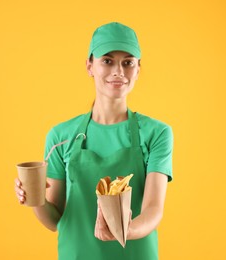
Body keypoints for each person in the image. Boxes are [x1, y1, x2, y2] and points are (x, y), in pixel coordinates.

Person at [14, 22, 173, 260]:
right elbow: (55, 220)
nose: (118, 71)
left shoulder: (156, 133)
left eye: (128, 62)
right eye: (107, 61)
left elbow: (153, 209)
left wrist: (125, 230)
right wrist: (34, 199)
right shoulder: (60, 136)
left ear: (138, 69)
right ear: (90, 66)